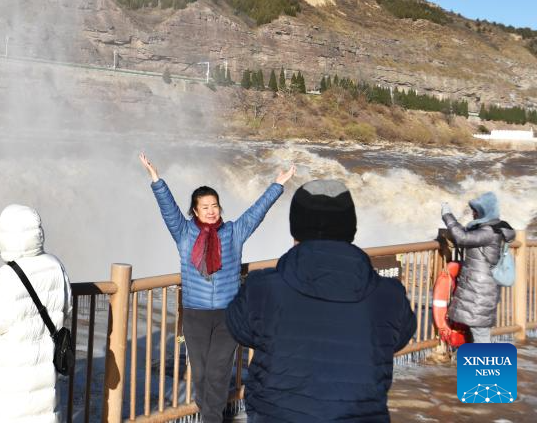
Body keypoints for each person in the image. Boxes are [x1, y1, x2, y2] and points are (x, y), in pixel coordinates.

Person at [225, 179, 417, 422]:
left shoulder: (262, 287)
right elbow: (398, 337)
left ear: (296, 228)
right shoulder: (389, 294)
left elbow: (238, 328)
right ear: (351, 228)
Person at [139, 152, 295, 423]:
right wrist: (156, 179)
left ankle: (211, 418)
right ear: (195, 211)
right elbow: (167, 207)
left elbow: (257, 211)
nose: (212, 211)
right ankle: (209, 411)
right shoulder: (184, 233)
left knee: (219, 370)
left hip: (228, 314)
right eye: (205, 207)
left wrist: (277, 184)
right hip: (196, 314)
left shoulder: (234, 232)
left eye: (215, 205)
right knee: (199, 372)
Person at [0, 204, 71, 423]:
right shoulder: (56, 265)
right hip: (44, 370)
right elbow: (66, 308)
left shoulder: (8, 275)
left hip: (12, 376)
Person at [441, 191, 516, 343]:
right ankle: (478, 364)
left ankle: (484, 366)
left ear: (484, 212)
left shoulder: (488, 232)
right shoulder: (494, 228)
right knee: (479, 330)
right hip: (482, 287)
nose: (473, 214)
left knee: (480, 333)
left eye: (476, 210)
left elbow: (462, 238)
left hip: (480, 289)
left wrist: (447, 216)